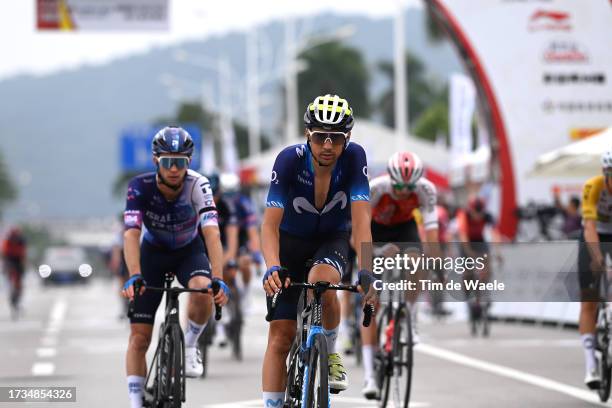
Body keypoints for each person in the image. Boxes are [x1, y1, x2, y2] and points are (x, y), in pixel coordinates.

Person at [260, 94, 374, 407]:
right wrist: (272, 266)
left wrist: (366, 270)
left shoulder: (355, 158)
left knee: (324, 286)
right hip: (289, 244)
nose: (327, 145)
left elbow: (362, 220)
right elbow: (269, 225)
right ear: (308, 134)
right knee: (281, 337)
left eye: (335, 138)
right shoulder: (288, 160)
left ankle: (331, 351)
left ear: (347, 138)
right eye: (320, 136)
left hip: (332, 238)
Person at [121, 126, 229, 408]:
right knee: (139, 337)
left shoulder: (199, 185)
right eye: (167, 161)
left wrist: (218, 278)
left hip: (188, 251)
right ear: (156, 160)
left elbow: (212, 233)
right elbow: (131, 233)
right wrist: (134, 274)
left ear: (188, 163)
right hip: (152, 254)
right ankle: (135, 402)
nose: (173, 169)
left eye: (180, 162)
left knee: (203, 290)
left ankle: (191, 344)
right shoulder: (139, 187)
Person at [360, 151, 441, 399]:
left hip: (404, 229)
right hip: (374, 231)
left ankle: (408, 313)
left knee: (419, 263)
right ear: (389, 178)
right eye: (398, 186)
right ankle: (369, 377)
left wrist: (435, 262)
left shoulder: (426, 190)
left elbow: (431, 230)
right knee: (370, 303)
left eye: (409, 187)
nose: (404, 191)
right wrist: (372, 255)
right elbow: (359, 226)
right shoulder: (376, 188)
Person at [577, 149, 612, 390]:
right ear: (605, 173)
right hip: (594, 234)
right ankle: (590, 363)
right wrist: (599, 259)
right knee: (589, 300)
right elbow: (589, 227)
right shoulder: (593, 186)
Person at [1, 227, 27, 320]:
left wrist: (23, 266)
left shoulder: (22, 241)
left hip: (18, 260)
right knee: (9, 273)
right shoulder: (7, 241)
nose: (14, 240)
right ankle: (11, 291)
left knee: (19, 281)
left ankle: (17, 292)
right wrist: (5, 267)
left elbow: (23, 255)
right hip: (9, 259)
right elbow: (4, 255)